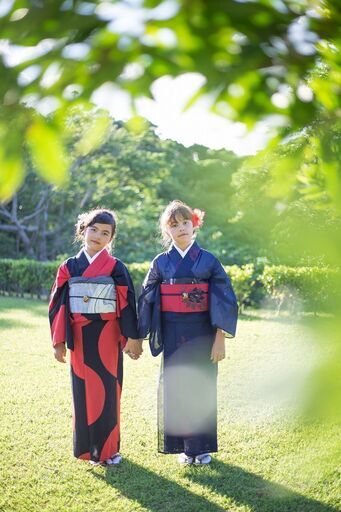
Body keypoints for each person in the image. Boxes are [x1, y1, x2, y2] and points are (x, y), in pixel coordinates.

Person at [138, 200, 238, 465]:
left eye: (185, 222)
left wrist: (220, 338)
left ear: (195, 225)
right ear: (166, 231)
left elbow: (225, 298)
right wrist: (137, 335)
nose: (181, 228)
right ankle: (184, 446)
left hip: (203, 333)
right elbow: (147, 298)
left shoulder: (208, 261)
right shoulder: (161, 262)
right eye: (174, 224)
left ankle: (201, 447)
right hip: (173, 333)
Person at [49, 208, 142, 465]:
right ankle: (87, 450)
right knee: (82, 391)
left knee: (109, 391)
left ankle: (109, 450)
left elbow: (126, 303)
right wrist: (58, 342)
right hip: (79, 336)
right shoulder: (69, 266)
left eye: (105, 233)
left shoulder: (115, 267)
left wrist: (132, 338)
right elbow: (58, 304)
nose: (98, 236)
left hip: (107, 336)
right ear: (83, 230)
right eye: (93, 229)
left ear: (111, 238)